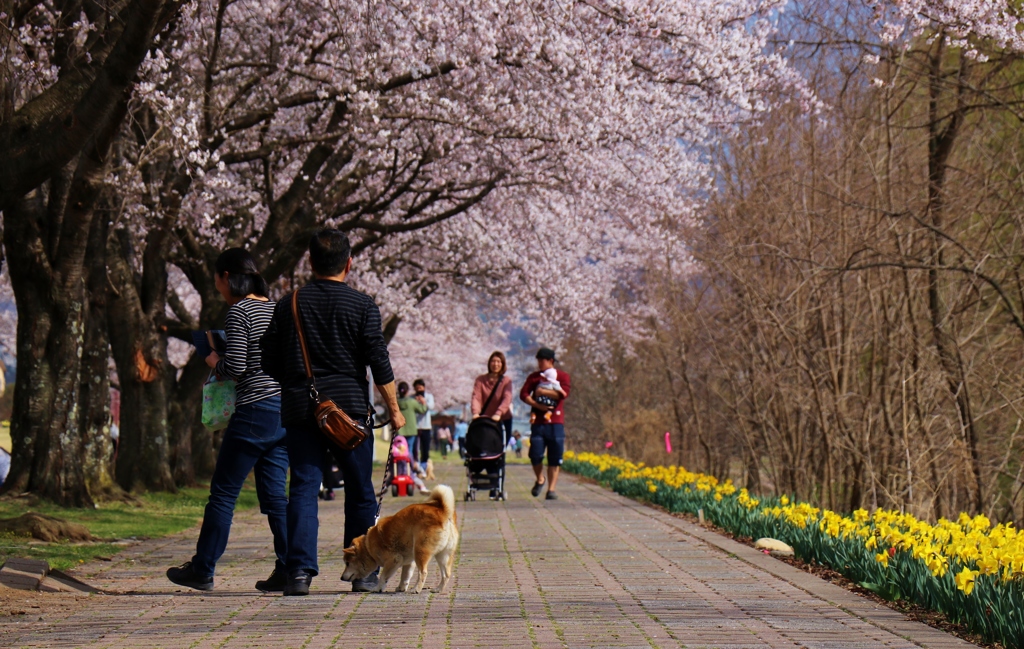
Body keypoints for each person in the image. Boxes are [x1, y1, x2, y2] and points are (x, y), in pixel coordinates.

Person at [260, 229, 406, 596]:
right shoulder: (363, 306)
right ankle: (362, 572)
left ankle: (299, 573)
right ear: (349, 262)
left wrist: (297, 382)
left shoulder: (288, 303)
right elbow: (379, 363)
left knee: (305, 488)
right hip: (351, 414)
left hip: (301, 409)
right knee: (359, 491)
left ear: (310, 261)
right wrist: (395, 410)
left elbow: (267, 359)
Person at [167, 248, 289, 592]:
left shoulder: (240, 311)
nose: (217, 288)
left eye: (217, 280)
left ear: (226, 277)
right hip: (283, 412)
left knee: (223, 493)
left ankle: (202, 568)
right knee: (275, 496)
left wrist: (210, 357)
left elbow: (235, 366)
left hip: (253, 411)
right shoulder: (275, 309)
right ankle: (288, 567)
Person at [520, 347, 571, 500]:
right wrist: (536, 404)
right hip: (538, 422)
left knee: (555, 457)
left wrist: (543, 392)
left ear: (550, 361)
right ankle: (540, 479)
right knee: (535, 454)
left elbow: (563, 394)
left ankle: (551, 489)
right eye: (538, 361)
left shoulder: (562, 376)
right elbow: (523, 394)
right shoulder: (534, 377)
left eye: (542, 360)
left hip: (556, 422)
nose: (540, 363)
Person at [396, 382, 426, 446]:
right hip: (411, 430)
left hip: (400, 430)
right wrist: (423, 402)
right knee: (409, 451)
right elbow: (422, 410)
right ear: (407, 391)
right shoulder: (412, 402)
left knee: (400, 450)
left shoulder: (396, 403)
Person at [412, 379, 435, 464]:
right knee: (415, 448)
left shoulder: (429, 397)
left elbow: (432, 406)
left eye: (420, 388)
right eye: (417, 388)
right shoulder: (412, 398)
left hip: (426, 426)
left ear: (424, 387)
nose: (419, 390)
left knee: (425, 448)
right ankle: (415, 465)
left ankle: (424, 465)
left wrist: (423, 401)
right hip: (415, 427)